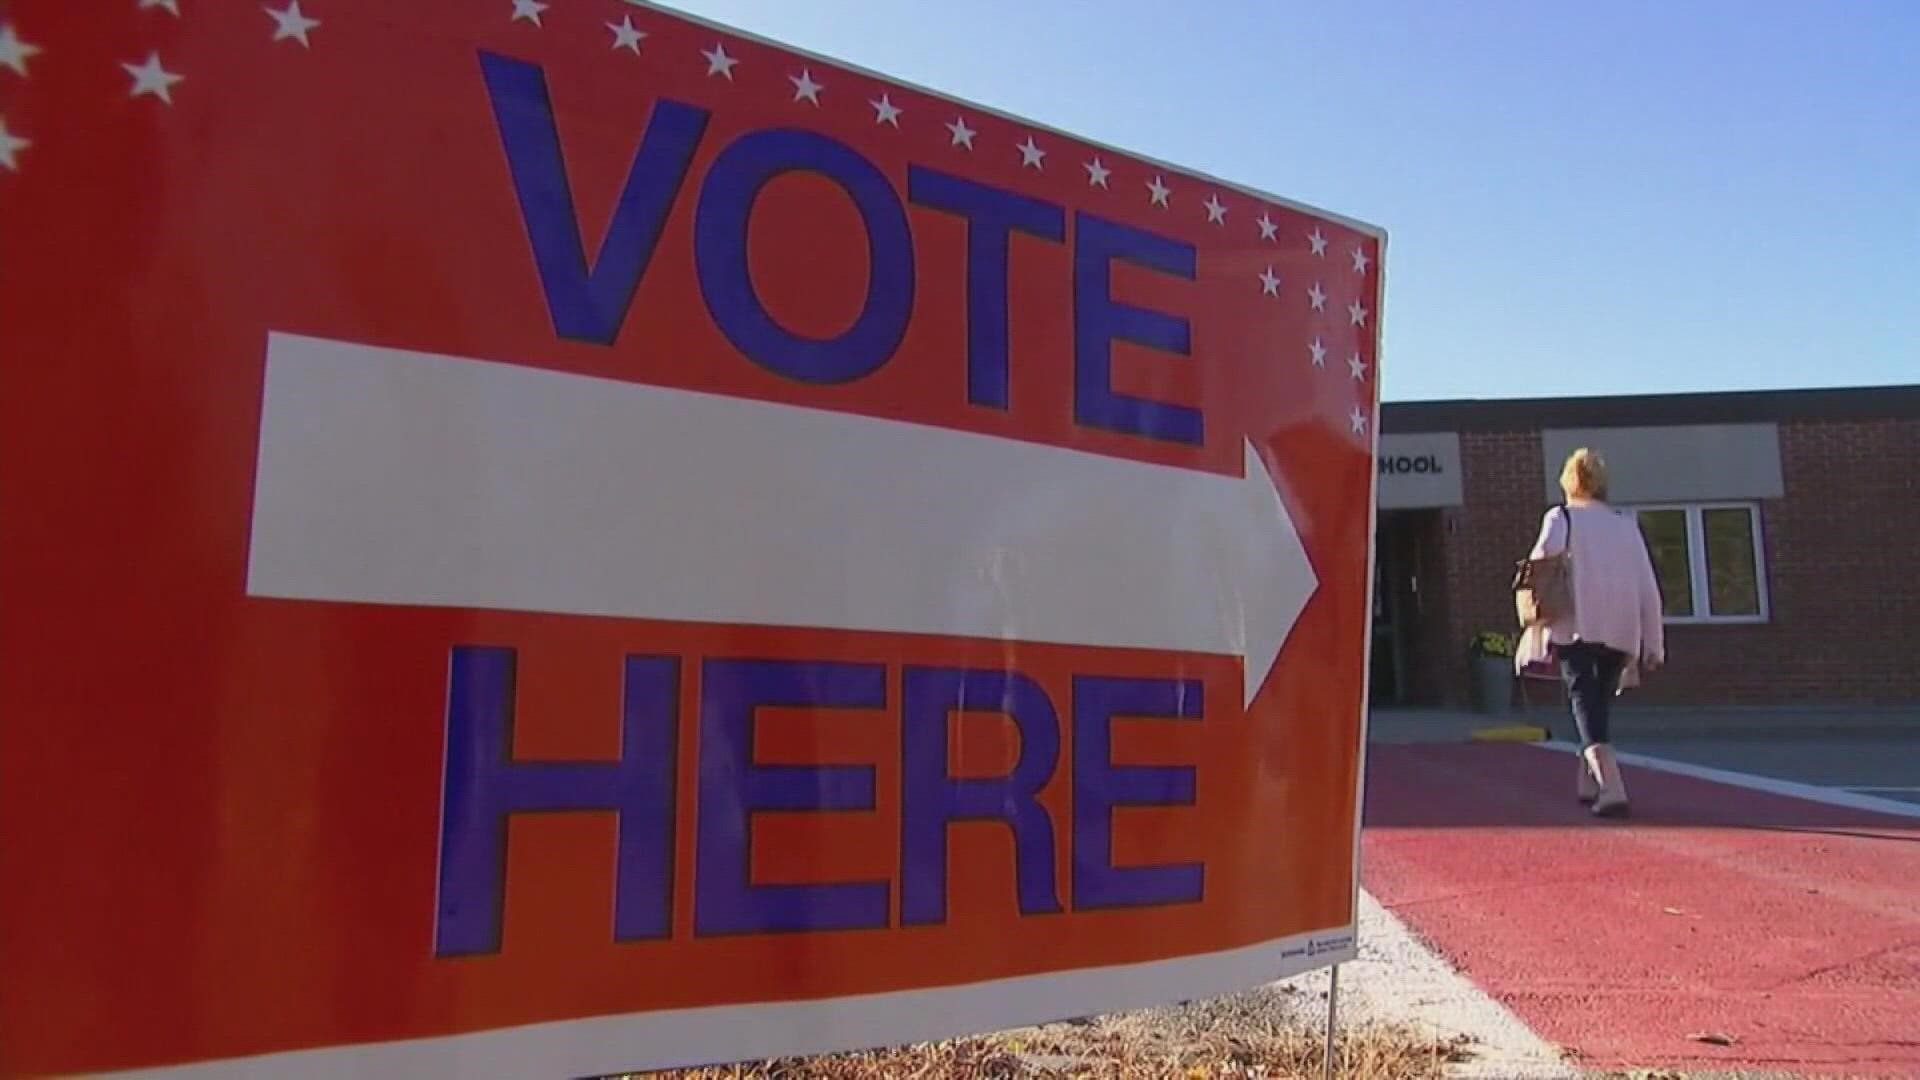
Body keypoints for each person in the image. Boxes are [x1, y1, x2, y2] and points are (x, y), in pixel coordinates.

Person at [1515, 448, 1665, 817]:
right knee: (1598, 702)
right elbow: (1648, 586)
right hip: (1622, 628)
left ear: (1569, 481)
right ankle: (1588, 782)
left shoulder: (1561, 517)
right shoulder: (1626, 524)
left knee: (1584, 701)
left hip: (1577, 624)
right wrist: (1653, 642)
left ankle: (1612, 787)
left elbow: (1540, 564)